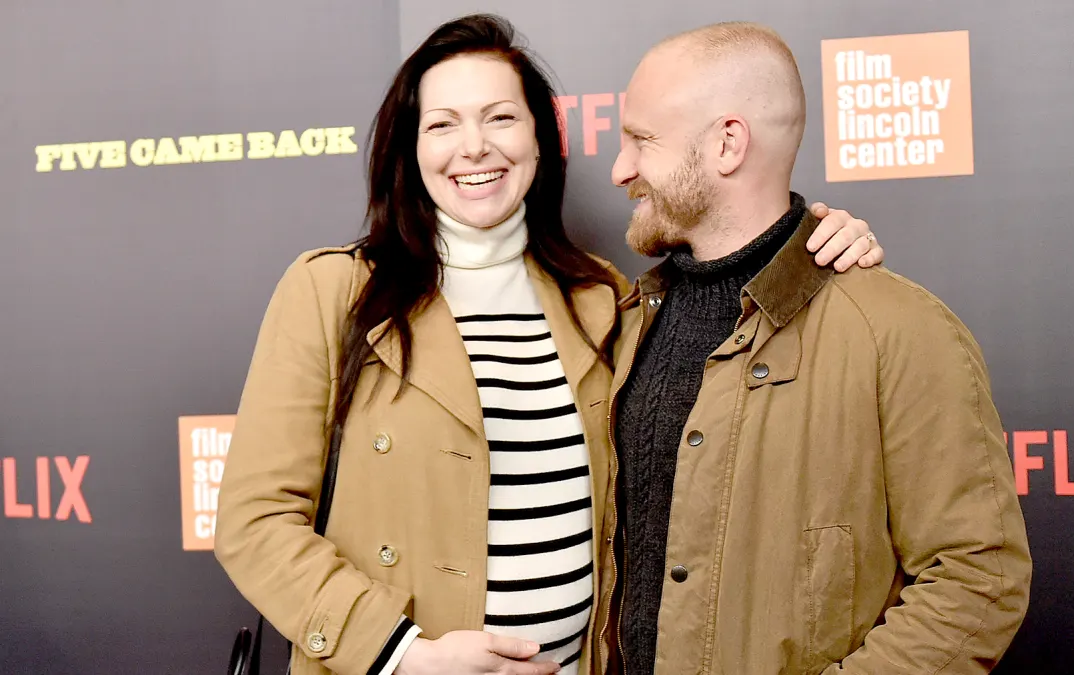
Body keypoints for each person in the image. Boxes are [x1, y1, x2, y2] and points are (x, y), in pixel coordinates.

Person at [213, 14, 884, 675]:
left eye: (500, 118)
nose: (474, 146)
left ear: (539, 138)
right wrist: (402, 653)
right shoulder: (333, 290)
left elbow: (737, 269)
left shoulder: (603, 299)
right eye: (442, 123)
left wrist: (820, 242)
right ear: (410, 148)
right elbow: (255, 519)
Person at [593, 21, 1032, 675]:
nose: (620, 168)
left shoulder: (901, 331)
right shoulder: (621, 324)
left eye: (641, 141)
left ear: (728, 143)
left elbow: (978, 577)